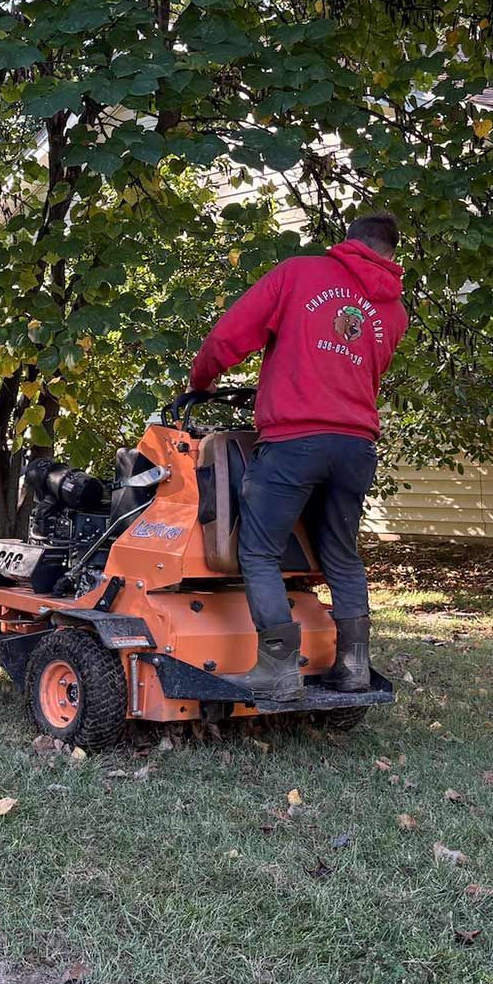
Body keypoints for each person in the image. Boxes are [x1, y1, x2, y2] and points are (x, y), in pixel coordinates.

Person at [188, 212, 408, 699]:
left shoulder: (299, 273)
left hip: (294, 441)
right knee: (342, 556)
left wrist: (201, 382)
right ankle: (353, 666)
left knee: (259, 549)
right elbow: (365, 375)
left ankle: (277, 670)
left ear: (347, 242)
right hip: (356, 446)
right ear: (390, 255)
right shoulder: (393, 312)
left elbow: (230, 336)